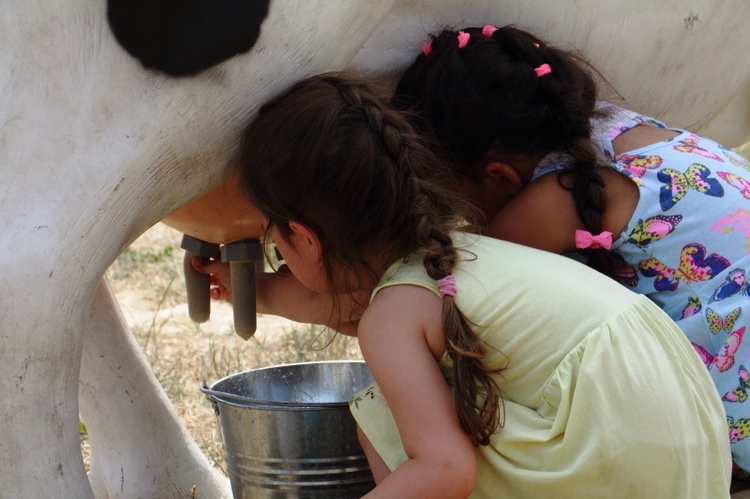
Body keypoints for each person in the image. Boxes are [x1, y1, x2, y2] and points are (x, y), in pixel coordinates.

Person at [194, 72, 731, 497]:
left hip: (619, 467)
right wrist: (252, 290)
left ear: (305, 240)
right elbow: (330, 299)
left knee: (379, 414)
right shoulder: (453, 257)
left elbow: (447, 471)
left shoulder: (394, 312)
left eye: (276, 247)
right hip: (695, 461)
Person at [393, 23, 750, 475]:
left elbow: (442, 297)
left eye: (445, 193)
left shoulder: (553, 199)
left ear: (500, 175)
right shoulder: (620, 127)